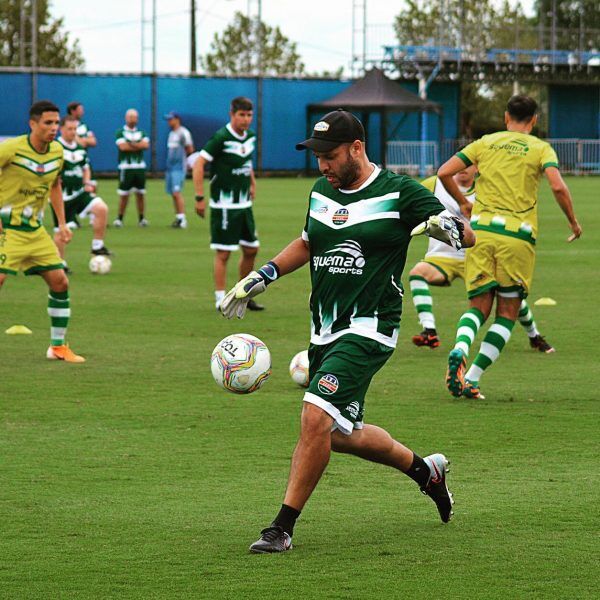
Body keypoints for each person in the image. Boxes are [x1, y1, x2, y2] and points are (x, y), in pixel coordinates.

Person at [219, 109, 475, 553]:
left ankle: (281, 528)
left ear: (357, 148)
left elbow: (466, 235)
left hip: (371, 327)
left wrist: (447, 225)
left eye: (330, 156)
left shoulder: (399, 191)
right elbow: (307, 242)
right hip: (324, 328)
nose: (322, 166)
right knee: (339, 434)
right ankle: (426, 471)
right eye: (317, 156)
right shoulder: (322, 190)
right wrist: (263, 275)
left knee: (314, 416)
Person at [438, 95, 581, 400]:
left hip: (480, 234)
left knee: (477, 308)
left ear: (506, 117)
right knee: (506, 313)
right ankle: (472, 378)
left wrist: (464, 202)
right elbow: (557, 185)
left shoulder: (485, 142)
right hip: (518, 237)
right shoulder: (541, 148)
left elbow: (443, 172)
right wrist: (573, 222)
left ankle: (460, 348)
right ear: (535, 120)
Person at [409, 166, 554, 353]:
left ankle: (534, 336)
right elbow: (412, 200)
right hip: (441, 257)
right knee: (416, 274)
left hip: (477, 256)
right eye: (459, 165)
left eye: (467, 166)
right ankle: (429, 330)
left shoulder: (486, 189)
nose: (462, 170)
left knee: (508, 294)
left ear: (477, 167)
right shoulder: (435, 184)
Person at [0, 100, 85, 363]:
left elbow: (55, 185)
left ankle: (57, 347)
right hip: (8, 230)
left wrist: (61, 223)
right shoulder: (12, 149)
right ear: (32, 123)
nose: (53, 128)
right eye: (48, 123)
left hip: (35, 232)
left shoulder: (56, 151)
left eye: (56, 123)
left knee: (60, 282)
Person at [192, 96, 263, 311]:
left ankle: (243, 294)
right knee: (224, 253)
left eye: (249, 115)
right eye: (241, 115)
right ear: (232, 115)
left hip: (244, 205)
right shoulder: (221, 137)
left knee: (251, 249)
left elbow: (246, 162)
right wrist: (199, 196)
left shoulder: (250, 137)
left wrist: (251, 182)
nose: (246, 119)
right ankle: (221, 298)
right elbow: (199, 163)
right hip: (224, 206)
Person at [52, 115, 112, 270]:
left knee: (101, 208)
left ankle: (97, 245)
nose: (73, 132)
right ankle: (60, 263)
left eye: (75, 129)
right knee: (62, 234)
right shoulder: (55, 148)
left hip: (79, 193)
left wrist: (87, 182)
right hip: (62, 197)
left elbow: (85, 168)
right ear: (61, 129)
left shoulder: (80, 149)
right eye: (69, 129)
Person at [113, 109, 150, 227]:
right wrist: (137, 145)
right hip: (126, 168)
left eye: (134, 117)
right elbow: (123, 147)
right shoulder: (120, 132)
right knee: (124, 194)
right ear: (126, 118)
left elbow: (145, 145)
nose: (132, 119)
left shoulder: (142, 133)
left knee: (140, 194)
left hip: (139, 168)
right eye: (130, 117)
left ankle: (141, 219)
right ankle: (119, 219)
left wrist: (131, 144)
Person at [164, 111, 194, 228]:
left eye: (171, 119)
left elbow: (190, 148)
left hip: (179, 167)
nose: (169, 122)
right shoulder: (172, 133)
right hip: (170, 167)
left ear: (177, 119)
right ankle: (179, 217)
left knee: (177, 192)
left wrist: (188, 163)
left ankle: (183, 219)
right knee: (173, 193)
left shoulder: (183, 133)